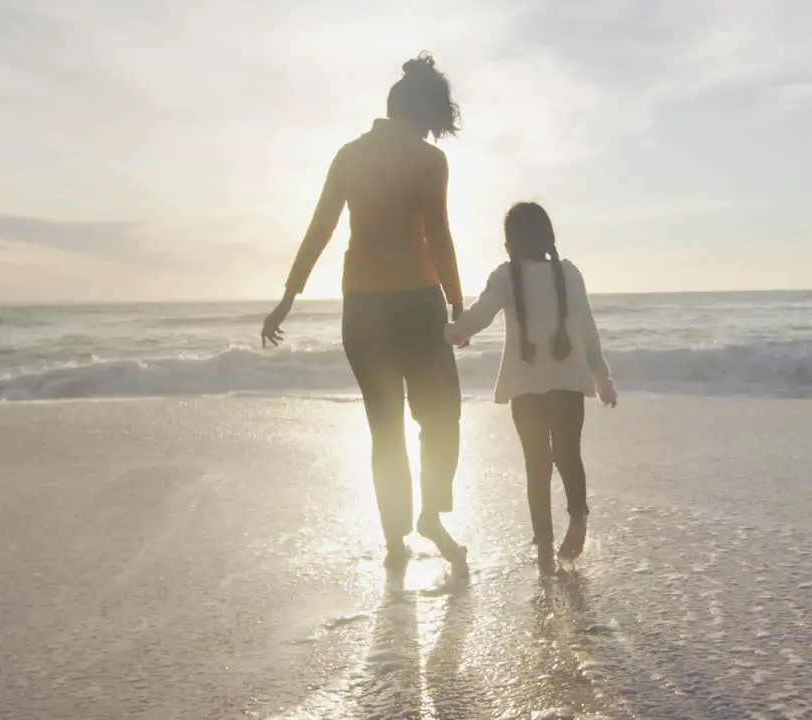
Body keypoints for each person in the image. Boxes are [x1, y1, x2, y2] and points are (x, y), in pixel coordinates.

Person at [261, 53, 467, 575]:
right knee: (440, 416)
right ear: (425, 113)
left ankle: (395, 539)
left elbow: (321, 227)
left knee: (385, 428)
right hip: (419, 304)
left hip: (363, 308)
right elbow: (437, 232)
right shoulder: (428, 162)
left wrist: (290, 294)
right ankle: (430, 515)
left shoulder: (349, 155)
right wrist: (457, 299)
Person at [443, 202, 617, 575]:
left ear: (509, 243)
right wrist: (602, 378)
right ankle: (578, 518)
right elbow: (588, 330)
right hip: (569, 385)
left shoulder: (506, 277)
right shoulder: (569, 274)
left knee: (536, 467)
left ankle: (543, 552)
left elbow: (479, 315)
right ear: (549, 237)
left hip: (526, 389)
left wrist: (450, 333)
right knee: (569, 455)